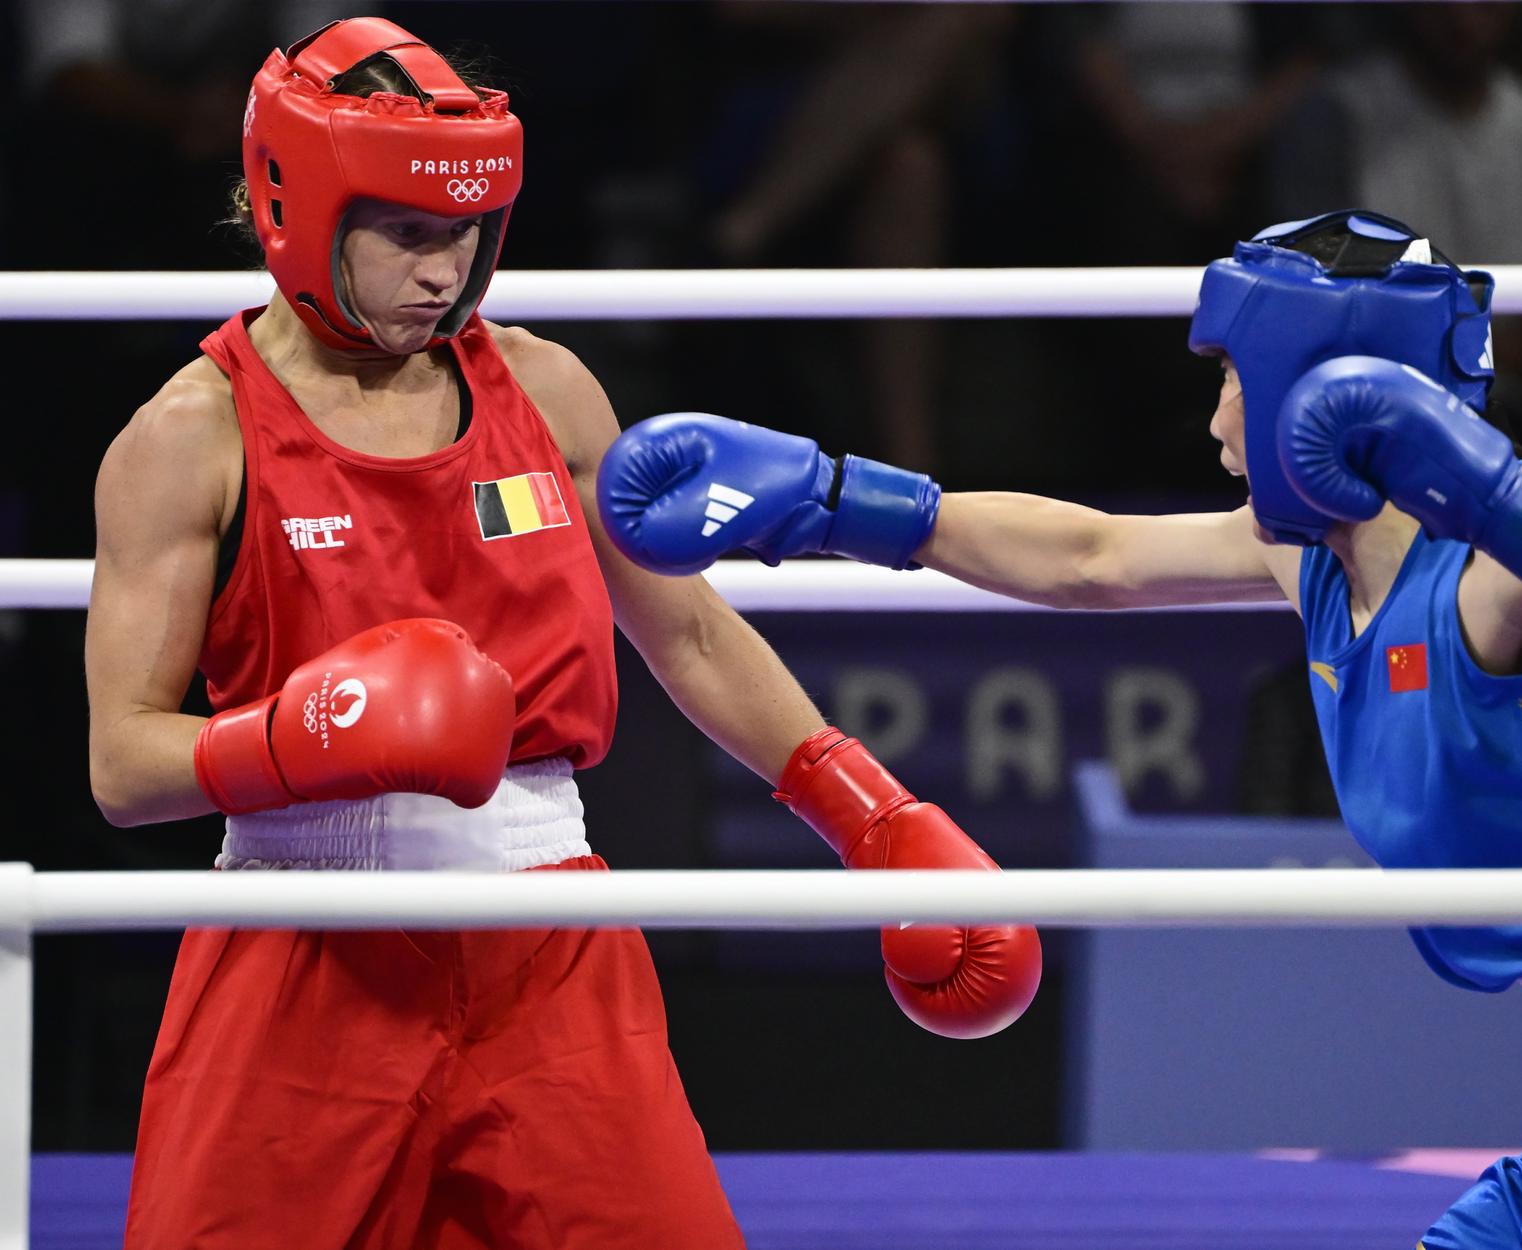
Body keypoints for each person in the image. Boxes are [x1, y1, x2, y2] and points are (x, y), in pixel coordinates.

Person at [597, 210, 1522, 1247]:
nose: (1214, 419)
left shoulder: (1502, 554)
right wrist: (839, 503)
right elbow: (1090, 555)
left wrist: (1503, 495)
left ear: (1318, 388)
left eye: (1230, 379)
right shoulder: (1309, 555)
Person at [84, 18, 1040, 1249]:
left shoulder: (548, 388)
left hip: (547, 946)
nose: (445, 271)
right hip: (303, 943)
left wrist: (873, 814)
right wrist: (305, 732)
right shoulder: (190, 436)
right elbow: (123, 760)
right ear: (296, 211)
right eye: (411, 233)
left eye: (469, 235)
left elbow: (687, 633)